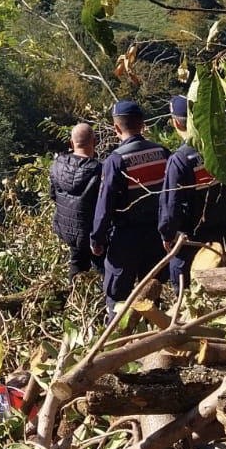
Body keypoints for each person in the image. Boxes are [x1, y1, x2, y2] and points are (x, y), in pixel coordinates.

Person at [91, 100, 169, 316]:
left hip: (126, 238)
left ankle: (117, 342)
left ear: (116, 128)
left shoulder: (116, 161)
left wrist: (97, 238)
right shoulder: (162, 153)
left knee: (117, 298)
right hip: (157, 235)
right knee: (152, 294)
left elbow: (104, 205)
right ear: (143, 124)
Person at [158, 95, 226, 293]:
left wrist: (167, 235)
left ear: (176, 122)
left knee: (187, 294)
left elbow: (171, 205)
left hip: (191, 239)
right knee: (220, 287)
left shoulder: (180, 159)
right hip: (222, 232)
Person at [49, 122, 103, 282]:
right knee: (103, 268)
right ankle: (105, 301)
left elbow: (53, 195)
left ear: (72, 143)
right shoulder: (99, 170)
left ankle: (74, 294)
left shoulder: (57, 165)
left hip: (67, 229)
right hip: (92, 233)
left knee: (77, 262)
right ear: (95, 141)